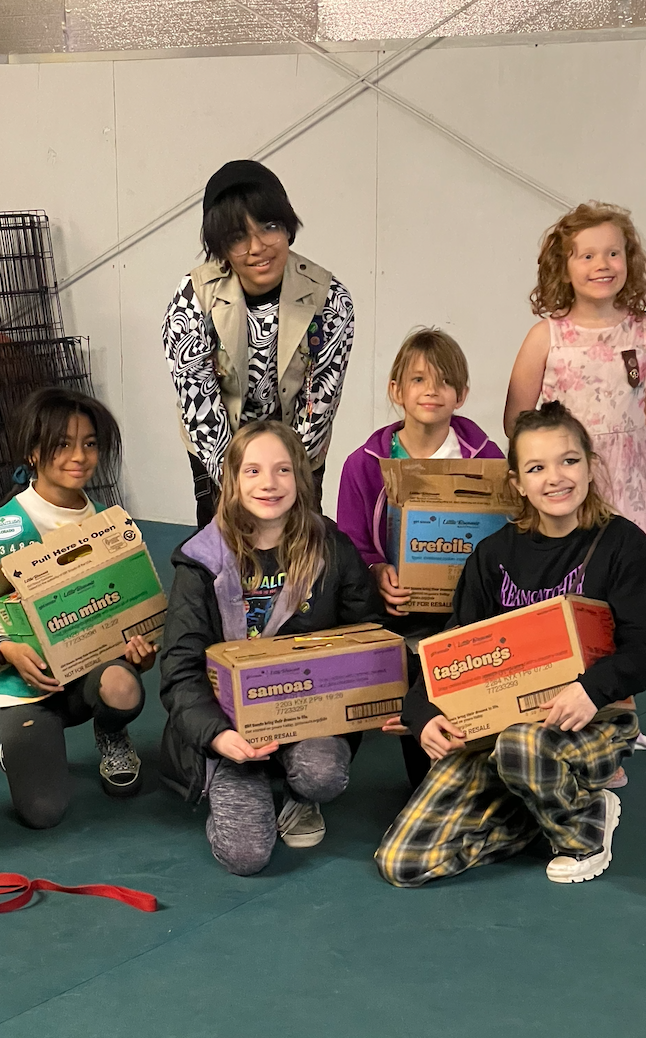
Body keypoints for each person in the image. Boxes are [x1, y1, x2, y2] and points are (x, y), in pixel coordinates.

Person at [376, 401, 646, 887]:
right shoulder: (494, 556)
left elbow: (645, 653)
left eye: (569, 461)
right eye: (536, 467)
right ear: (517, 484)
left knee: (522, 745)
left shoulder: (623, 545)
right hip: (498, 724)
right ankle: (537, 813)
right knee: (403, 863)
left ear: (592, 466)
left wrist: (592, 690)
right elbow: (452, 652)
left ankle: (581, 827)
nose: (555, 477)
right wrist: (421, 714)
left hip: (593, 717)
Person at [158, 420, 382, 875]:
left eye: (282, 470)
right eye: (253, 471)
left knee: (323, 773)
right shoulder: (201, 560)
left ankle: (299, 793)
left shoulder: (331, 548)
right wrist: (220, 737)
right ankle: (241, 780)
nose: (269, 483)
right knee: (246, 858)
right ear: (233, 481)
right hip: (228, 728)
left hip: (307, 716)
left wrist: (374, 696)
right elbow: (179, 668)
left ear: (300, 478)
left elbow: (366, 635)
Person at [0, 388, 157, 829]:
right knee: (43, 812)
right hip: (24, 682)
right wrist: (4, 650)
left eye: (90, 444)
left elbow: (131, 611)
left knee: (124, 687)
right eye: (63, 444)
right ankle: (17, 744)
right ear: (33, 452)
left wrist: (139, 652)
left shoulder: (112, 526)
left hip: (88, 675)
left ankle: (111, 731)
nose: (80, 456)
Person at [336, 326, 503, 787]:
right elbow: (351, 541)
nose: (432, 391)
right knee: (408, 673)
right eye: (418, 380)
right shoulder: (364, 462)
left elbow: (499, 539)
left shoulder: (486, 460)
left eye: (445, 381)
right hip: (392, 609)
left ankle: (458, 758)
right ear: (396, 391)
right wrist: (377, 571)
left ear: (462, 394)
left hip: (460, 611)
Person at [163, 159, 355, 528]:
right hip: (219, 447)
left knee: (299, 546)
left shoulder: (330, 299)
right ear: (220, 246)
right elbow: (199, 402)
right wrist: (238, 485)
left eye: (269, 227)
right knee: (222, 549)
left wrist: (285, 479)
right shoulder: (192, 298)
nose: (257, 247)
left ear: (287, 227)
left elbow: (319, 404)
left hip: (298, 447)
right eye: (237, 237)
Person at [504, 201, 646, 604]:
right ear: (564, 267)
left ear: (629, 260)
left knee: (625, 582)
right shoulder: (545, 337)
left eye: (613, 253)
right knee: (569, 580)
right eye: (587, 255)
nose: (603, 264)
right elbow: (517, 420)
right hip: (566, 479)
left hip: (632, 481)